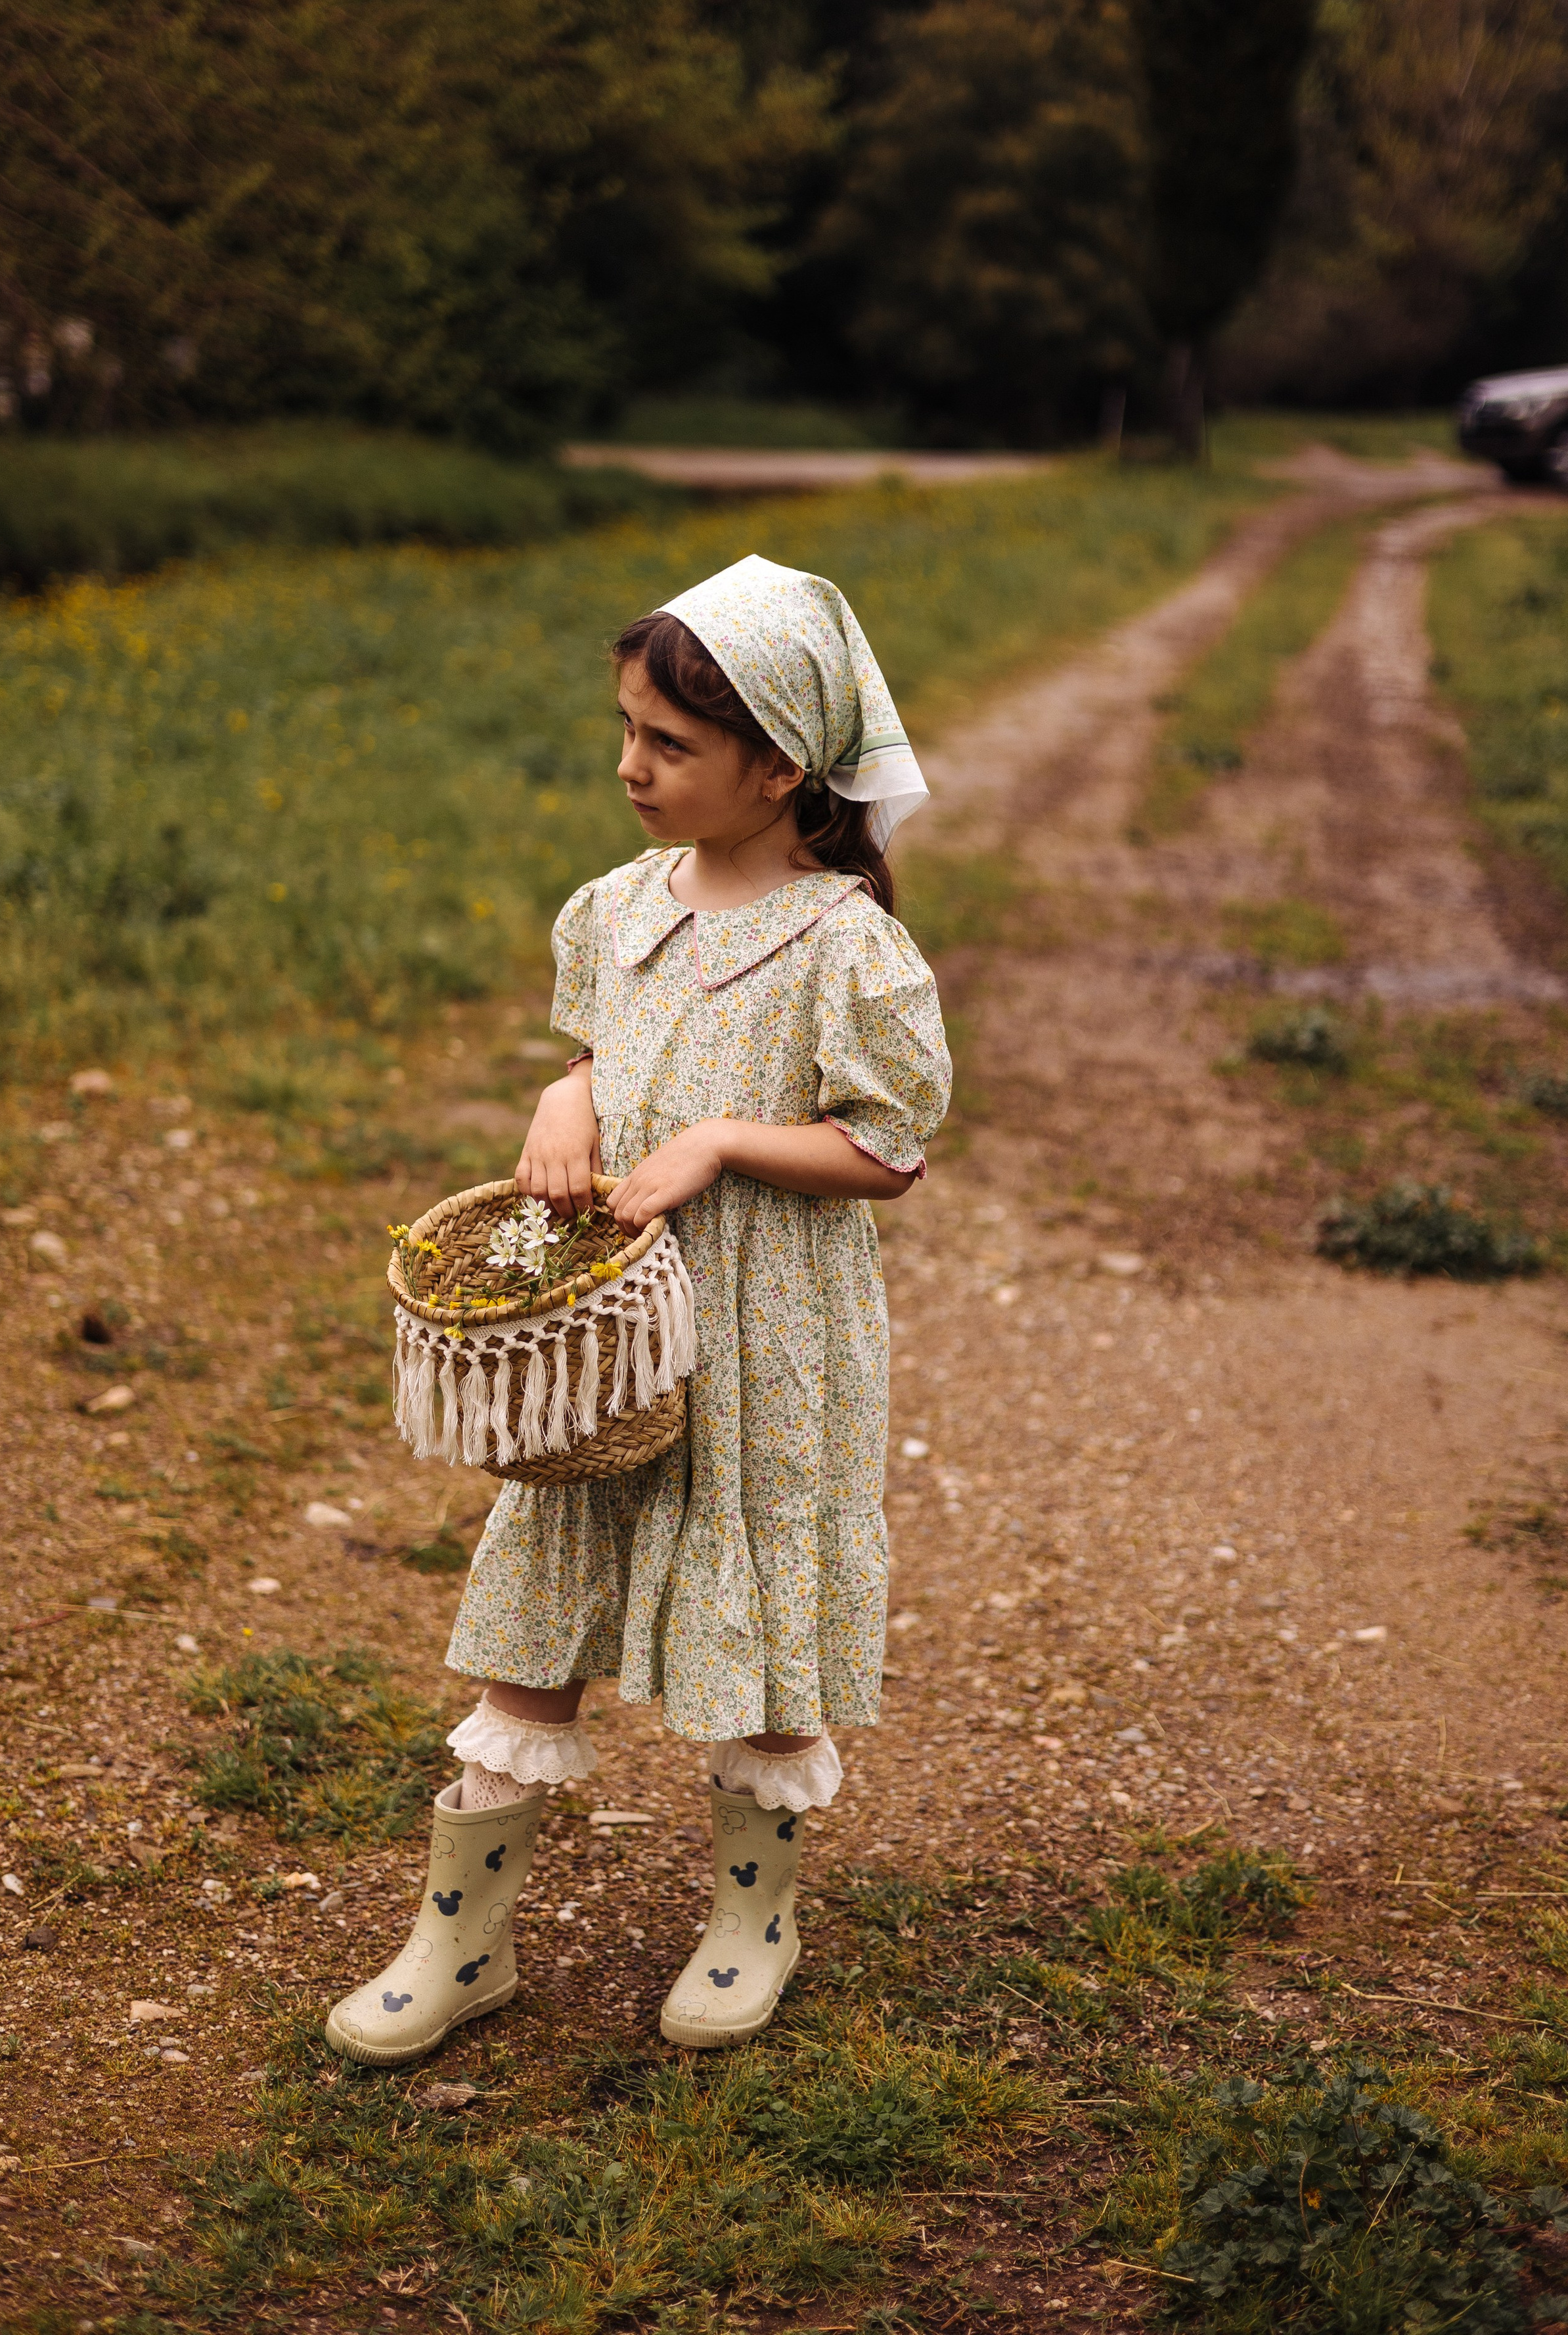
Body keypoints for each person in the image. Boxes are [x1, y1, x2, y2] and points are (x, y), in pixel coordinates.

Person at [326, 553, 952, 2062]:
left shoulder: (843, 943)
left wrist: (725, 1141)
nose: (628, 766)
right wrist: (572, 1082)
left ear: (778, 768)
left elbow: (886, 1148)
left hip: (759, 1341)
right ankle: (460, 1943)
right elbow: (615, 1046)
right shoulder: (611, 910)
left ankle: (753, 1919)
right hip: (609, 1344)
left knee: (758, 1628)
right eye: (625, 730)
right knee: (534, 1614)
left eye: (667, 745)